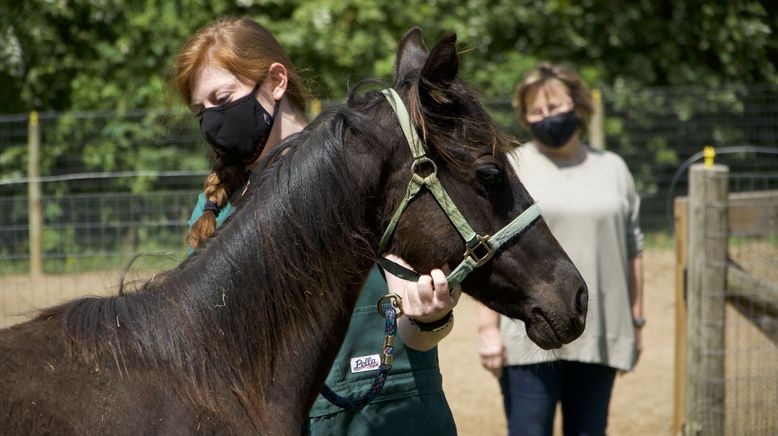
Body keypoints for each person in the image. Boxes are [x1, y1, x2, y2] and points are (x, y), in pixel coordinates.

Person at [171, 17, 460, 434]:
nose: (213, 123)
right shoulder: (214, 208)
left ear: (276, 81)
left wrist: (430, 315)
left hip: (394, 418)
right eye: (202, 112)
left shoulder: (369, 168)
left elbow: (417, 334)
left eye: (223, 98)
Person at [477, 63, 644, 436]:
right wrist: (488, 329)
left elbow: (633, 249)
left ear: (578, 106)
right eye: (536, 111)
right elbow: (490, 245)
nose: (546, 117)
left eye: (554, 108)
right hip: (528, 332)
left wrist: (636, 321)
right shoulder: (514, 169)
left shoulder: (614, 168)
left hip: (600, 333)